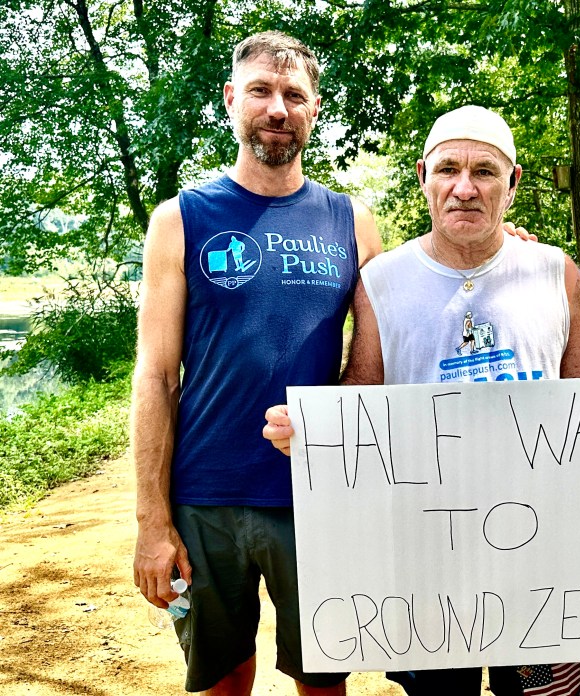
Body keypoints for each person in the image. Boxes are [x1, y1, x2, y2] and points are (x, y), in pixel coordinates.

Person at [263, 106, 580, 695]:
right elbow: (362, 389)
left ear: (513, 182)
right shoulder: (381, 281)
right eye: (448, 168)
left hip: (543, 563)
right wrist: (313, 428)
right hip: (427, 567)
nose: (465, 187)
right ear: (424, 175)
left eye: (485, 172)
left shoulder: (554, 270)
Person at [130, 31, 381, 695]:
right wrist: (153, 524)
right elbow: (154, 377)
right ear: (232, 99)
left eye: (294, 95)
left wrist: (502, 248)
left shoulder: (351, 221)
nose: (278, 107)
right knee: (222, 678)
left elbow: (381, 352)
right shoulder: (179, 219)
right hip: (202, 498)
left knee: (323, 680)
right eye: (262, 92)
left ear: (314, 108)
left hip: (317, 494)